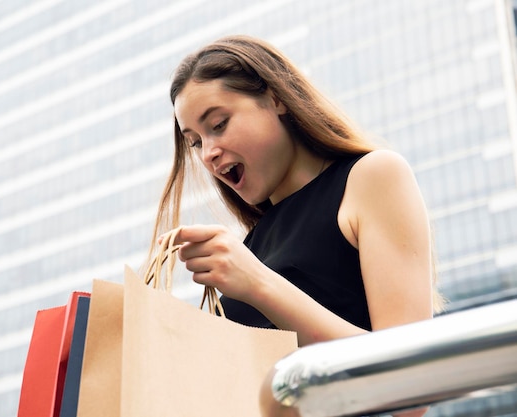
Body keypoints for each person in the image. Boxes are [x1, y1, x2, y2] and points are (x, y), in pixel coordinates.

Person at [149, 35, 442, 416]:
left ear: (276, 99)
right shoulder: (251, 245)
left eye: (219, 124)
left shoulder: (372, 176)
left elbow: (411, 386)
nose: (209, 153)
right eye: (195, 143)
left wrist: (257, 284)